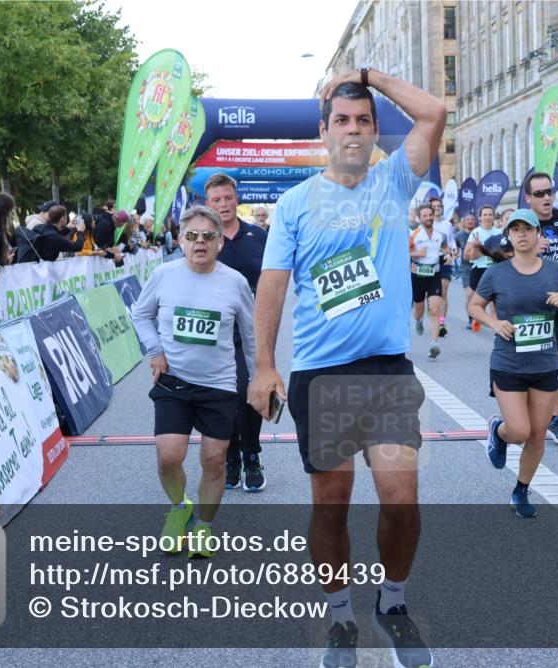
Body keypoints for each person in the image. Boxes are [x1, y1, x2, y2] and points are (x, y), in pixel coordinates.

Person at [248, 69, 444, 668]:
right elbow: (273, 288)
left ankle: (392, 604)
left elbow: (434, 112)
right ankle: (339, 617)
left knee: (400, 500)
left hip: (386, 372)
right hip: (322, 374)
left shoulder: (392, 182)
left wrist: (367, 78)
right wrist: (263, 367)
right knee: (330, 505)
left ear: (375, 129)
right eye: (342, 121)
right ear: (324, 131)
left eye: (363, 121)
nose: (353, 131)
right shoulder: (294, 204)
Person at [130, 206, 254, 559]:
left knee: (214, 462)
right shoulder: (164, 275)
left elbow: (250, 331)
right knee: (169, 457)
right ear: (180, 240)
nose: (200, 242)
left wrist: (260, 375)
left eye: (209, 236)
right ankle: (180, 506)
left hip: (218, 385)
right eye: (193, 236)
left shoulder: (235, 282)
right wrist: (155, 350)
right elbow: (140, 314)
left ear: (220, 243)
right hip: (174, 382)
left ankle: (203, 527)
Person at [468, 209, 558, 518]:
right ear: (510, 236)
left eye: (527, 229)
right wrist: (493, 322)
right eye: (515, 229)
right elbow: (475, 306)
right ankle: (498, 430)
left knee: (536, 435)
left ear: (537, 235)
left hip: (545, 365)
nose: (521, 234)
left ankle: (520, 489)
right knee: (518, 431)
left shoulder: (556, 271)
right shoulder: (496, 273)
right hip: (508, 364)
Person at [205, 172, 269, 492]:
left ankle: (251, 455)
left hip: (250, 331)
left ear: (237, 199)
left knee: (248, 392)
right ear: (208, 203)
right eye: (216, 199)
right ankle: (230, 457)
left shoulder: (258, 235)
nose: (223, 204)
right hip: (213, 334)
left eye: (228, 197)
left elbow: (275, 278)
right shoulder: (200, 238)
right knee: (223, 397)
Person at [523, 172, 558, 446]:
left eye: (550, 192)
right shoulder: (521, 224)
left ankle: (555, 417)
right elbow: (501, 256)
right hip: (531, 300)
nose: (547, 197)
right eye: (540, 194)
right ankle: (525, 412)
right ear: (528, 198)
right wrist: (531, 249)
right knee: (531, 364)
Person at [409, 202, 448, 358]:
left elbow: (446, 250)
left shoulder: (440, 235)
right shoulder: (414, 234)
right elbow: (405, 251)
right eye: (424, 215)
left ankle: (434, 344)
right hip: (418, 275)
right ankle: (418, 320)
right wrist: (418, 253)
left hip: (434, 275)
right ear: (419, 218)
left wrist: (449, 256)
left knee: (434, 309)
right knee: (419, 311)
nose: (428, 218)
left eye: (430, 215)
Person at [464, 205, 503, 332]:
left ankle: (496, 332)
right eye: (485, 215)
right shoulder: (475, 233)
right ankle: (474, 318)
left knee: (495, 304)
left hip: (496, 270)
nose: (487, 217)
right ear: (480, 217)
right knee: (476, 301)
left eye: (490, 214)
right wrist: (478, 248)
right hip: (479, 270)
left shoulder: (499, 233)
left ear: (493, 216)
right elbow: (468, 257)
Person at [428, 195, 456, 337]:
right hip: (428, 261)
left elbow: (452, 244)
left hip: (443, 259)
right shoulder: (425, 224)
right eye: (435, 206)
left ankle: (441, 323)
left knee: (444, 291)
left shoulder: (447, 225)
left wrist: (452, 255)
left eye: (439, 206)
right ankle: (433, 313)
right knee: (432, 293)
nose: (437, 208)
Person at [455, 213, 477, 329]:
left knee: (478, 296)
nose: (469, 221)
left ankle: (477, 315)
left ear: (475, 221)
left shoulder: (479, 233)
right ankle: (470, 319)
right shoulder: (459, 235)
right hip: (465, 269)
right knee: (470, 294)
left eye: (472, 219)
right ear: (464, 221)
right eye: (467, 219)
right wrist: (452, 255)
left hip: (479, 267)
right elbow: (453, 248)